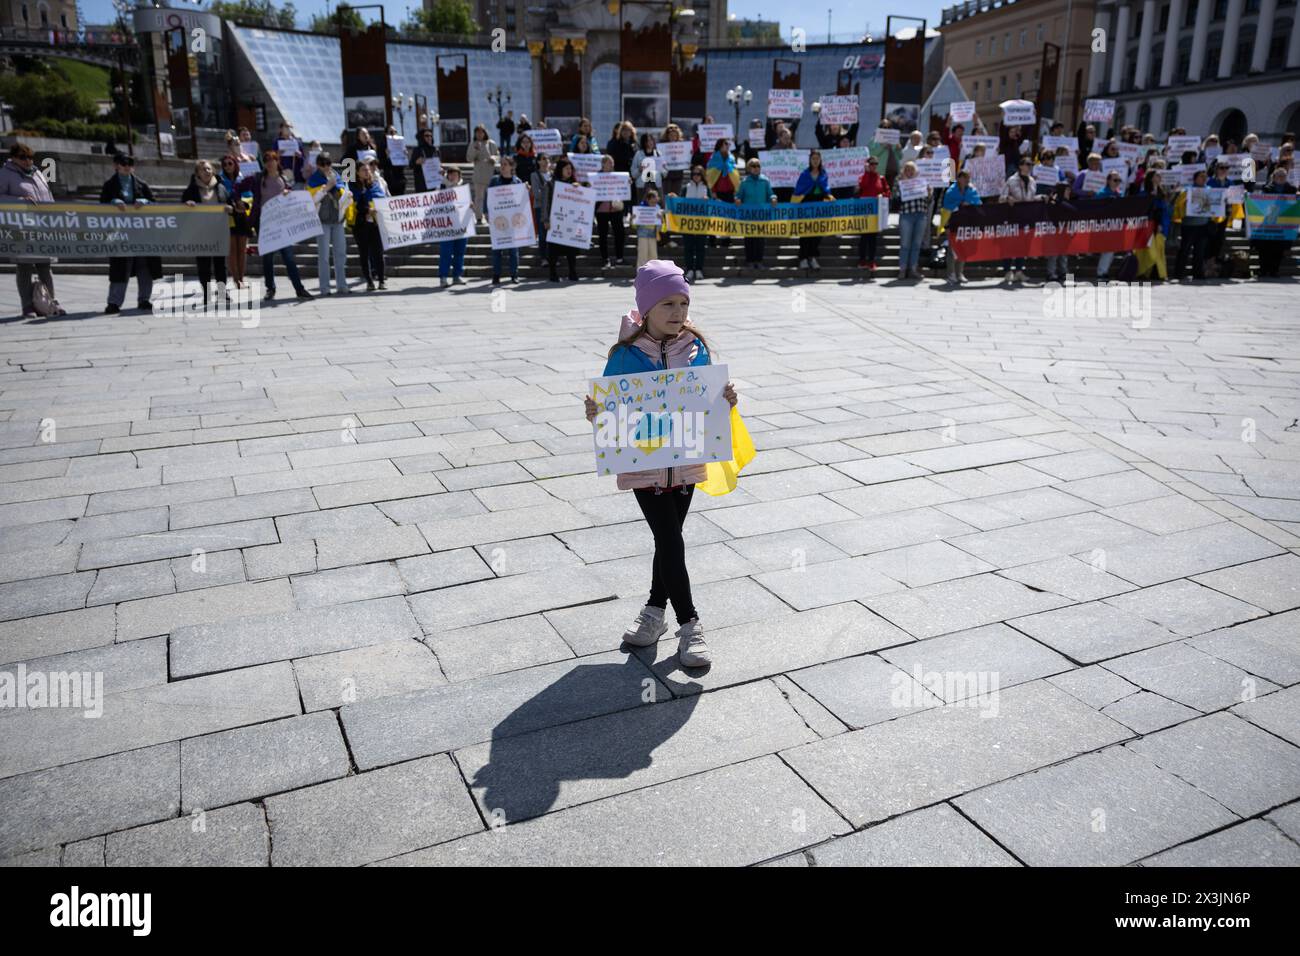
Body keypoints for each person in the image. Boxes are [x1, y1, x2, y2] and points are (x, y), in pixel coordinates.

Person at [581, 260, 738, 667]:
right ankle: (690, 624)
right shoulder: (624, 355)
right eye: (667, 304)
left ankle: (654, 612)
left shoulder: (696, 348)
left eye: (683, 303)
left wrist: (726, 399)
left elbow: (708, 398)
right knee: (669, 539)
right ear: (646, 308)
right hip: (644, 467)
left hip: (686, 462)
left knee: (668, 541)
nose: (678, 313)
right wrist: (596, 411)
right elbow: (609, 406)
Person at [237, 150, 312, 302]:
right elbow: (238, 187)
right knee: (268, 259)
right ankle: (270, 288)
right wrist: (239, 201)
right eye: (266, 160)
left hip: (282, 224)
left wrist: (288, 193)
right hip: (265, 225)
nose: (270, 163)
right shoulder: (258, 178)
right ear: (264, 163)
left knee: (289, 257)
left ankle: (299, 288)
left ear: (277, 162)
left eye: (272, 160)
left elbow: (290, 197)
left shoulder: (283, 179)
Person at [0, 143, 65, 317]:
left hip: (42, 227)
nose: (28, 161)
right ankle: (27, 306)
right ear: (13, 158)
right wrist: (19, 200)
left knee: (45, 266)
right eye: (23, 157)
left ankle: (51, 303)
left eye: (30, 157)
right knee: (24, 267)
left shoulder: (37, 173)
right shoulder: (5, 173)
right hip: (21, 228)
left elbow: (48, 195)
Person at [100, 153, 162, 313]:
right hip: (119, 233)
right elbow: (100, 206)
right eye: (123, 163)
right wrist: (111, 203)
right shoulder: (109, 185)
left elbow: (155, 203)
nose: (127, 166)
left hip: (142, 232)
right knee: (120, 267)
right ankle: (114, 302)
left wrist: (146, 202)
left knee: (145, 266)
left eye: (130, 163)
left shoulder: (142, 184)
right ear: (116, 165)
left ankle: (144, 299)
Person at [181, 159, 232, 305]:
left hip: (218, 231)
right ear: (197, 173)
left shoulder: (221, 187)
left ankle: (223, 293)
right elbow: (182, 207)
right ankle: (206, 294)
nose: (207, 171)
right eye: (203, 169)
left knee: (220, 265)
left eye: (209, 169)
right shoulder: (191, 190)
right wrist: (187, 205)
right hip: (200, 232)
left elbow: (231, 204)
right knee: (203, 265)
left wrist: (230, 208)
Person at [307, 152, 349, 296]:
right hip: (322, 221)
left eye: (328, 163)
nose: (326, 167)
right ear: (317, 165)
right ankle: (324, 287)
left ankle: (342, 285)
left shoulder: (336, 175)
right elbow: (312, 201)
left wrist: (346, 195)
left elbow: (343, 191)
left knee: (341, 253)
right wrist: (326, 188)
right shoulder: (313, 179)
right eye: (323, 164)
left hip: (337, 220)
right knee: (324, 256)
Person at [1251, 166, 1297, 278]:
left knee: (1279, 248)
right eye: (1279, 176)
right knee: (1264, 248)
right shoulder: (1266, 188)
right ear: (1274, 177)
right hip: (1268, 222)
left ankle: (1274, 270)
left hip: (1283, 223)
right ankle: (1263, 270)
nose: (1281, 178)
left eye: (1283, 176)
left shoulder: (1292, 190)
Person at [349, 161, 386, 291]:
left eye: (368, 170)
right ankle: (369, 281)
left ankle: (381, 280)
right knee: (364, 253)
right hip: (360, 225)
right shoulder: (353, 186)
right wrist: (366, 210)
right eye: (364, 170)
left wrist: (375, 208)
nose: (367, 172)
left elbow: (382, 198)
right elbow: (353, 203)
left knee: (378, 253)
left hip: (375, 224)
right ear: (357, 173)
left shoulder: (375, 185)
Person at [217, 154, 253, 290]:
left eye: (230, 163)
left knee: (242, 249)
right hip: (229, 215)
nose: (227, 166)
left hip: (242, 215)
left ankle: (242, 279)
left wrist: (243, 204)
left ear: (235, 164)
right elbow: (220, 196)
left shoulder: (242, 178)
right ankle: (236, 279)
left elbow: (249, 194)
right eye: (225, 164)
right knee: (232, 250)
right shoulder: (220, 179)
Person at [792, 149, 831, 271]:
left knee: (817, 233)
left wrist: (830, 196)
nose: (815, 161)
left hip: (819, 205)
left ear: (820, 161)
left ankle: (812, 257)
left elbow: (826, 189)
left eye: (817, 159)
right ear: (810, 160)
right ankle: (803, 258)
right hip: (806, 205)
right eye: (813, 159)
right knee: (805, 233)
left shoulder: (823, 173)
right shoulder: (804, 174)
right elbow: (799, 190)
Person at [941, 169, 981, 285]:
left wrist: (970, 204)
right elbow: (946, 209)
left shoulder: (972, 190)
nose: (966, 180)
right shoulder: (950, 192)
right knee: (952, 250)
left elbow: (978, 204)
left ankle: (960, 273)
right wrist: (947, 226)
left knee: (963, 249)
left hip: (967, 224)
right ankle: (951, 274)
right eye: (963, 177)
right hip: (953, 224)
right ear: (958, 178)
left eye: (967, 177)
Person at [488, 156, 523, 284]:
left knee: (513, 250)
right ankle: (496, 275)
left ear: (511, 167)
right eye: (501, 164)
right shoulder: (494, 181)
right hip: (497, 220)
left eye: (505, 164)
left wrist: (526, 192)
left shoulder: (518, 182)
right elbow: (489, 198)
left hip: (512, 220)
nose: (502, 166)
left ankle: (514, 274)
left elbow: (521, 201)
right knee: (497, 249)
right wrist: (486, 213)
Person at [546, 157, 581, 282]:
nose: (569, 171)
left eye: (571, 169)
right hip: (556, 221)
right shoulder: (551, 184)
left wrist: (579, 189)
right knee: (554, 250)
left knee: (571, 249)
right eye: (566, 168)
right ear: (560, 170)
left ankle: (573, 272)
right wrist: (546, 219)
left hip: (571, 222)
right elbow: (546, 203)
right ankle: (553, 273)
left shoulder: (574, 185)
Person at [738, 156, 775, 271]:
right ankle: (749, 261)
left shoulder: (765, 180)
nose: (756, 168)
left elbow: (771, 194)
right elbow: (739, 196)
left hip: (761, 215)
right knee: (749, 239)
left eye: (758, 165)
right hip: (748, 215)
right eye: (753, 166)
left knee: (760, 240)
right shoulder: (744, 182)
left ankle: (759, 261)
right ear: (749, 168)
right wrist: (737, 200)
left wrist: (773, 198)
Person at [854, 155, 890, 274]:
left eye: (875, 164)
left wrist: (882, 195)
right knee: (864, 237)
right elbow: (862, 186)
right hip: (865, 211)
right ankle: (862, 260)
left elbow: (887, 192)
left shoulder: (881, 178)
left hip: (876, 211)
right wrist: (867, 173)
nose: (873, 166)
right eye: (871, 164)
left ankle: (871, 261)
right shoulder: (862, 177)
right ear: (867, 165)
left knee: (873, 238)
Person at [435, 166, 469, 288]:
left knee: (460, 252)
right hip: (446, 226)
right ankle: (443, 277)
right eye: (450, 174)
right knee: (446, 252)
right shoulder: (441, 187)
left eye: (455, 174)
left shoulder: (464, 188)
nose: (453, 176)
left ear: (459, 176)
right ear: (447, 176)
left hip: (461, 225)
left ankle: (457, 276)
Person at [895, 161, 929, 280]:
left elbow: (927, 199)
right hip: (906, 215)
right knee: (905, 244)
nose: (909, 172)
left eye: (911, 170)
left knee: (916, 244)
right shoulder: (899, 182)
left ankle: (913, 269)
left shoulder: (922, 182)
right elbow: (896, 197)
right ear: (904, 171)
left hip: (920, 215)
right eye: (907, 170)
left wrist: (929, 192)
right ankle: (903, 270)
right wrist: (903, 184)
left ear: (915, 171)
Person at [594, 153, 627, 269]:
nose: (612, 165)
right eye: (609, 162)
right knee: (602, 235)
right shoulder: (596, 177)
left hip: (616, 209)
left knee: (620, 233)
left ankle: (619, 258)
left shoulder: (618, 176)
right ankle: (605, 259)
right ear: (603, 164)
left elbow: (624, 190)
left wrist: (627, 184)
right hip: (601, 210)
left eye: (612, 163)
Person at [705, 138, 740, 248]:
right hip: (717, 191)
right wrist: (713, 191)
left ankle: (726, 239)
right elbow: (710, 176)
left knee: (728, 217)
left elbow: (734, 173)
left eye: (728, 144)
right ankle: (712, 239)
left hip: (729, 191)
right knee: (714, 217)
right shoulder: (714, 158)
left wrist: (735, 188)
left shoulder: (731, 158)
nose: (727, 145)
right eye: (725, 144)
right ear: (720, 145)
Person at [1094, 170, 1126, 279]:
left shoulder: (1120, 194)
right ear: (1108, 181)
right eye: (1115, 180)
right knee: (1108, 249)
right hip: (1104, 225)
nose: (1117, 182)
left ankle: (1104, 270)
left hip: (1116, 225)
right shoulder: (1101, 194)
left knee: (1112, 249)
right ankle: (1101, 272)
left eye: (1119, 180)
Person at [681, 164, 710, 282]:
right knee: (688, 247)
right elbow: (680, 203)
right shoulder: (686, 187)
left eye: (698, 174)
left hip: (702, 223)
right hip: (688, 222)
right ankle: (689, 269)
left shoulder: (706, 188)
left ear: (702, 175)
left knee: (700, 247)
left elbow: (712, 204)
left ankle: (698, 269)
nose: (696, 176)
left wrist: (708, 200)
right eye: (694, 174)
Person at [467, 124, 499, 221]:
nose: (479, 134)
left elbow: (497, 155)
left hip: (490, 174)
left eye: (481, 132)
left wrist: (494, 158)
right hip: (479, 175)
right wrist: (475, 150)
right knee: (479, 197)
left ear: (485, 133)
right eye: (477, 132)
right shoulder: (473, 144)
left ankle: (491, 216)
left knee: (491, 197)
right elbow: (469, 158)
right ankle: (479, 217)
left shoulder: (491, 143)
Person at [530, 152, 552, 262]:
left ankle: (552, 256)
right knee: (543, 233)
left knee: (552, 233)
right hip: (540, 207)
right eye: (543, 158)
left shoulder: (553, 175)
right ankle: (543, 257)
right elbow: (536, 194)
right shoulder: (534, 175)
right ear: (538, 161)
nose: (546, 161)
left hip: (553, 208)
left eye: (547, 159)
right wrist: (549, 193)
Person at [635, 185, 662, 266]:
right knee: (642, 256)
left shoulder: (658, 209)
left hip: (653, 235)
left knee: (653, 256)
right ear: (648, 199)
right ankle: (641, 275)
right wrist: (633, 219)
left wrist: (660, 219)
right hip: (642, 235)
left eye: (656, 199)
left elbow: (660, 227)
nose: (654, 202)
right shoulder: (640, 209)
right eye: (652, 200)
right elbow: (634, 225)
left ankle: (653, 275)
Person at [631, 132, 663, 202]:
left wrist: (663, 167)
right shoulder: (638, 154)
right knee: (641, 206)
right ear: (644, 142)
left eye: (651, 140)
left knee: (658, 205)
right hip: (642, 185)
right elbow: (633, 173)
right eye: (647, 141)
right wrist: (639, 170)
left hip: (655, 184)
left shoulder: (658, 153)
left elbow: (664, 173)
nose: (650, 142)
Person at [380, 125, 407, 196]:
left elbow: (405, 165)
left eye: (395, 132)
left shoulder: (401, 145)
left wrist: (404, 156)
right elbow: (380, 165)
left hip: (400, 178)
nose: (394, 134)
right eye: (391, 132)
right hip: (390, 179)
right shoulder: (382, 147)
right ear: (386, 134)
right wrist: (387, 156)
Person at [411, 128, 440, 192]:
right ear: (421, 137)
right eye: (427, 136)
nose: (429, 137)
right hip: (421, 183)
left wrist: (440, 169)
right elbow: (411, 165)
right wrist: (416, 162)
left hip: (434, 182)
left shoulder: (435, 150)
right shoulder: (417, 150)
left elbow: (438, 164)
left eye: (431, 136)